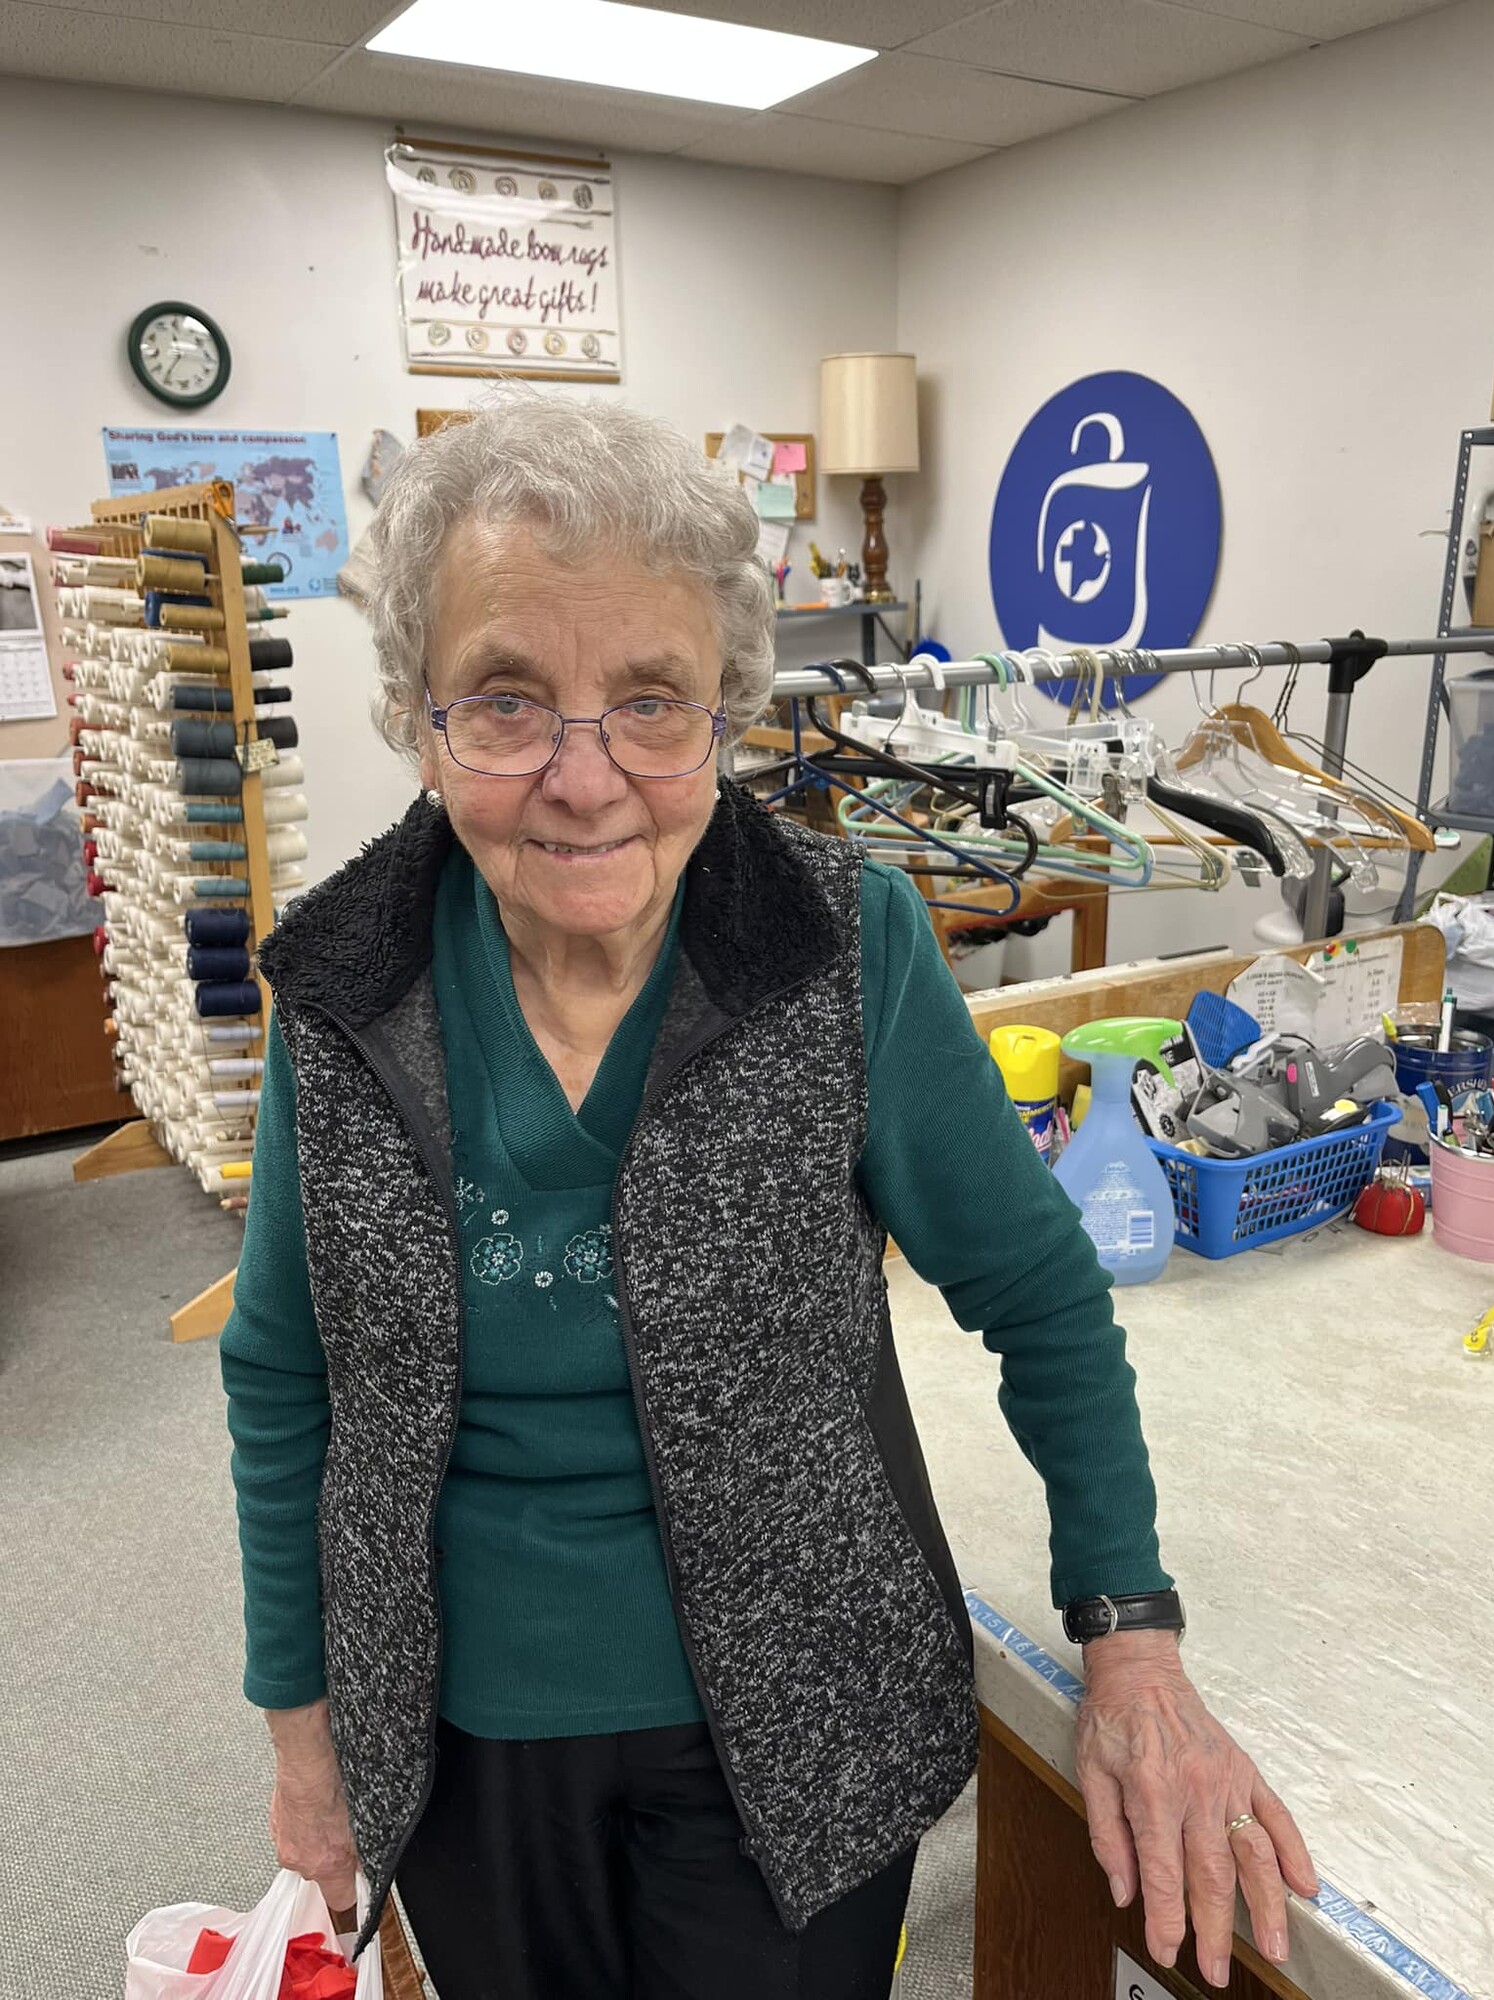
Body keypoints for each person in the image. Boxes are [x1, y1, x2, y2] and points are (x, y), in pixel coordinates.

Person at [221, 391, 1317, 2000]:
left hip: (802, 1715)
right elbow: (281, 1370)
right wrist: (303, 1735)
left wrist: (1132, 1631)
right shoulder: (344, 986)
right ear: (418, 713)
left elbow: (1036, 1292)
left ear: (726, 708)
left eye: (651, 702)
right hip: (458, 1733)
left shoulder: (836, 945)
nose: (587, 781)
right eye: (509, 702)